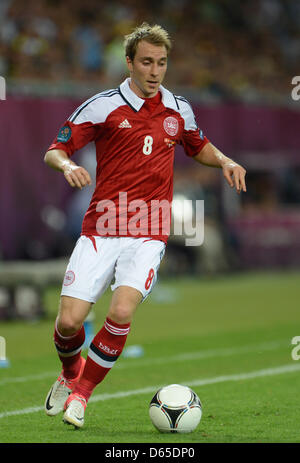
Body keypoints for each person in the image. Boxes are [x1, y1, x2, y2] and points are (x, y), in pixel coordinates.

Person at [43, 22, 246, 428]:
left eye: (162, 63)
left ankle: (82, 395)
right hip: (101, 227)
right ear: (130, 64)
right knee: (68, 322)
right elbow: (56, 149)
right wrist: (67, 166)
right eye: (147, 63)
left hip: (149, 232)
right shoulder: (102, 105)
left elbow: (198, 145)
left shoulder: (178, 108)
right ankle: (69, 374)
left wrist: (224, 160)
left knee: (120, 311)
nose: (155, 71)